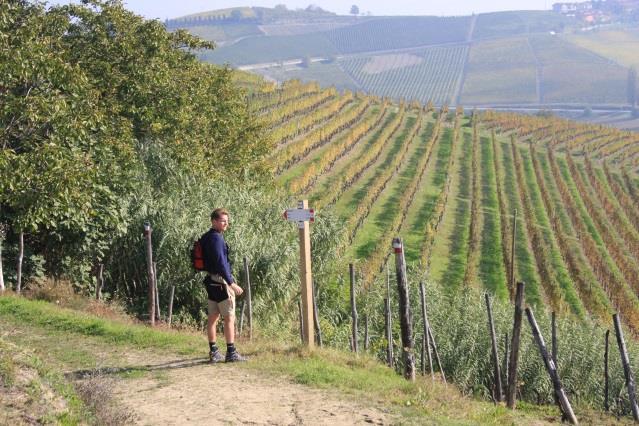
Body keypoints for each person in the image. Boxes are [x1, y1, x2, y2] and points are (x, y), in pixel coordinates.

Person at [201, 208, 247, 363]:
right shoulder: (217, 239)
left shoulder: (206, 237)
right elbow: (221, 264)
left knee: (212, 318)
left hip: (210, 281)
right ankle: (231, 352)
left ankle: (214, 352)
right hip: (221, 282)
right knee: (229, 318)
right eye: (222, 221)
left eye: (227, 221)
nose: (226, 223)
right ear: (214, 221)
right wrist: (231, 283)